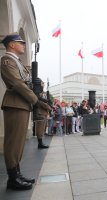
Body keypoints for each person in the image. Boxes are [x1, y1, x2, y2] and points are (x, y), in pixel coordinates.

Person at [0, 34, 47, 190]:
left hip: (22, 104)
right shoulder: (7, 61)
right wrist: (35, 100)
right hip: (15, 104)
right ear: (11, 45)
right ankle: (12, 178)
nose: (23, 46)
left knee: (19, 142)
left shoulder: (17, 62)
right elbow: (17, 84)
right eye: (21, 43)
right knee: (13, 141)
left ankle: (16, 173)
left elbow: (26, 81)